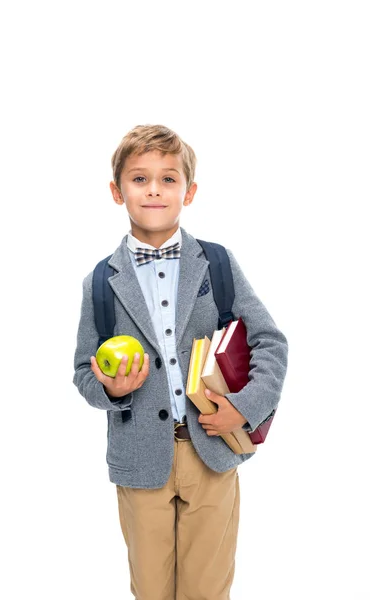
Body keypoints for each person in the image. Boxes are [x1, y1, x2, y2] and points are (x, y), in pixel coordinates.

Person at [73, 124, 288, 600]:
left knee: (207, 590)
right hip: (139, 458)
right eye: (139, 178)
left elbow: (271, 341)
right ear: (117, 191)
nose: (153, 189)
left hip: (211, 451)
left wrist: (246, 407)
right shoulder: (99, 281)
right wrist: (112, 389)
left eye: (168, 179)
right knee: (150, 589)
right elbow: (83, 373)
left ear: (189, 192)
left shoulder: (216, 262)